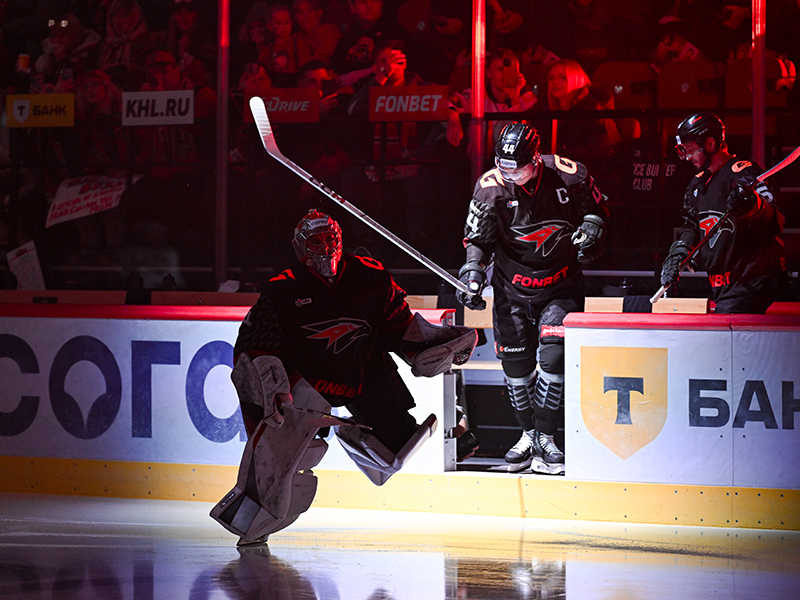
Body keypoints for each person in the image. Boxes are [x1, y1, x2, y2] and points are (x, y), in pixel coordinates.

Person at [212, 209, 477, 544]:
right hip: (304, 380)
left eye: (329, 239)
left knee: (400, 444)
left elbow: (399, 323)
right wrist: (272, 390)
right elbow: (254, 346)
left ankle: (357, 440)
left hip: (361, 372)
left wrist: (435, 347)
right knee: (272, 462)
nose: (323, 248)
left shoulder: (372, 275)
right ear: (300, 248)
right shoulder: (284, 289)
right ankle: (251, 526)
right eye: (315, 241)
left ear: (340, 241)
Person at [456, 122, 609, 475]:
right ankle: (527, 436)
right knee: (517, 369)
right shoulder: (489, 188)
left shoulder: (570, 176)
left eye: (517, 166)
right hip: (511, 289)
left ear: (536, 159)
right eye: (503, 165)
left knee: (553, 361)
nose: (510, 173)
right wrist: (473, 274)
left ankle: (549, 438)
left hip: (560, 285)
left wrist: (591, 229)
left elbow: (599, 212)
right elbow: (477, 240)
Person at [660, 112, 790, 314]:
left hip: (753, 284)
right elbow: (691, 226)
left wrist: (753, 206)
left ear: (710, 144)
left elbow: (776, 221)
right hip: (725, 289)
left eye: (691, 149)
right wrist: (679, 252)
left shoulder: (742, 172)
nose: (687, 157)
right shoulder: (697, 184)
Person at [445, 48, 536, 164]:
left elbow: (524, 139)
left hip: (512, 164)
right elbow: (453, 101)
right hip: (475, 163)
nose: (505, 74)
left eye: (511, 69)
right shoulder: (477, 94)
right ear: (488, 72)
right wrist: (453, 117)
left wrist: (514, 99)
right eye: (499, 69)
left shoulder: (527, 98)